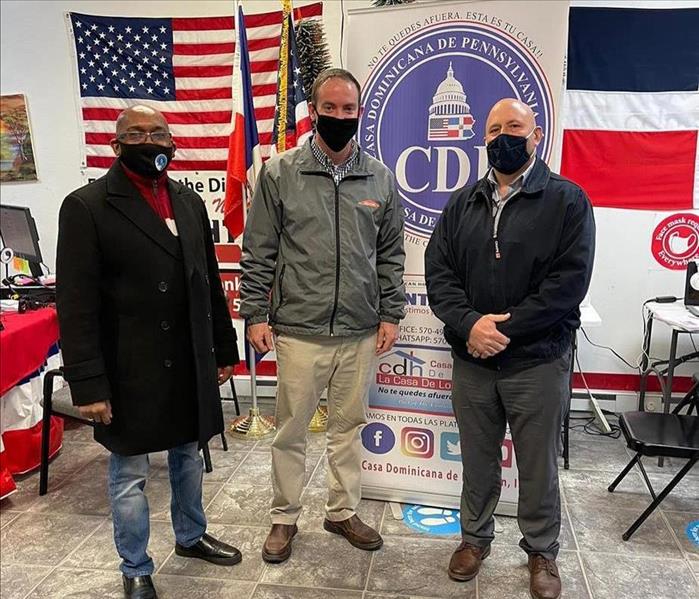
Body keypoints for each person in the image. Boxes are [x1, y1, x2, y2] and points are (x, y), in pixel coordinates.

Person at [56, 105, 242, 599]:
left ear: (172, 142)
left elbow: (207, 284)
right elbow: (75, 306)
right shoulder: (87, 206)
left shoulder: (188, 201)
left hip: (188, 362)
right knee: (129, 475)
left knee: (188, 457)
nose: (149, 141)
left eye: (158, 132)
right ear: (115, 147)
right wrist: (88, 385)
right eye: (136, 134)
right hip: (129, 368)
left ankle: (191, 535)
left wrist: (224, 347)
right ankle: (135, 565)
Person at [425, 98, 595, 599]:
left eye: (514, 126)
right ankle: (474, 539)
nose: (504, 135)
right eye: (495, 127)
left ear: (535, 134)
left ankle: (541, 550)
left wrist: (504, 330)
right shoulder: (462, 203)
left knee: (537, 464)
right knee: (477, 459)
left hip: (536, 361)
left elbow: (568, 284)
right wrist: (470, 324)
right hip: (472, 360)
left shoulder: (567, 200)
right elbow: (440, 275)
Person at [240, 68, 406, 563]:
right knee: (291, 430)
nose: (338, 117)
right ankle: (284, 517)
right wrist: (254, 314)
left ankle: (341, 511)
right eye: (329, 109)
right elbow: (259, 251)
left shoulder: (380, 178)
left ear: (360, 113)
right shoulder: (280, 173)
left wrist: (390, 313)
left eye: (347, 110)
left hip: (359, 330)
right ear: (313, 112)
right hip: (299, 330)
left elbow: (391, 254)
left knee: (347, 427)